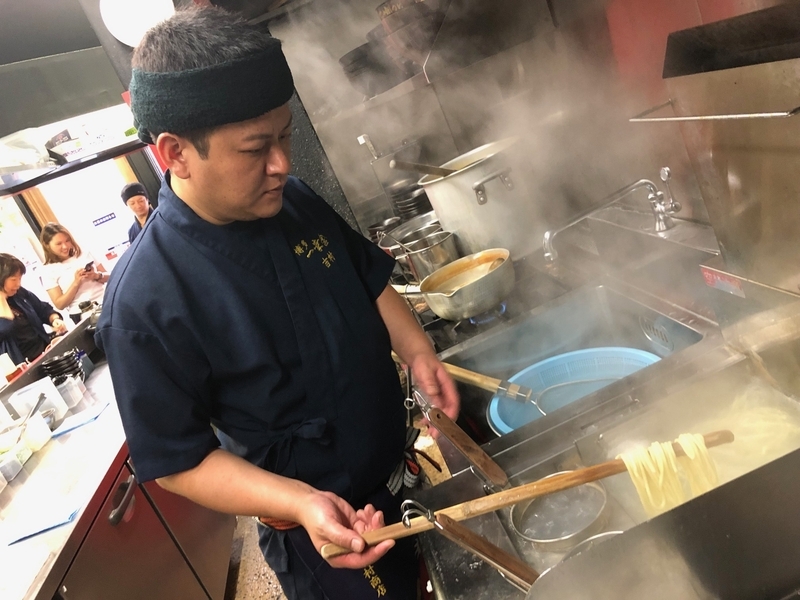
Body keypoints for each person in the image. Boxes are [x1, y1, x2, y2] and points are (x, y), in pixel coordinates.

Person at [94, 7, 459, 600]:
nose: (282, 163)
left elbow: (367, 279)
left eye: (285, 135)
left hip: (400, 479)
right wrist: (301, 501)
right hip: (316, 533)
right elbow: (180, 461)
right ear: (174, 153)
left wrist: (418, 351)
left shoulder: (295, 200)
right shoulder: (143, 303)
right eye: (254, 148)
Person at [0, 253, 68, 365]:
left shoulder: (19, 293)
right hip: (22, 367)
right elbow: (4, 328)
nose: (18, 284)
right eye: (13, 279)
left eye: (20, 278)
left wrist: (54, 319)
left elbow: (43, 309)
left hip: (45, 354)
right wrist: (2, 298)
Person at [39, 223, 108, 323]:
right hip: (82, 313)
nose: (65, 246)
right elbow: (60, 304)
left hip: (106, 300)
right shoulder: (47, 270)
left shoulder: (84, 254)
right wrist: (76, 283)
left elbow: (112, 277)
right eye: (59, 244)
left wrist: (96, 276)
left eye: (67, 241)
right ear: (47, 245)